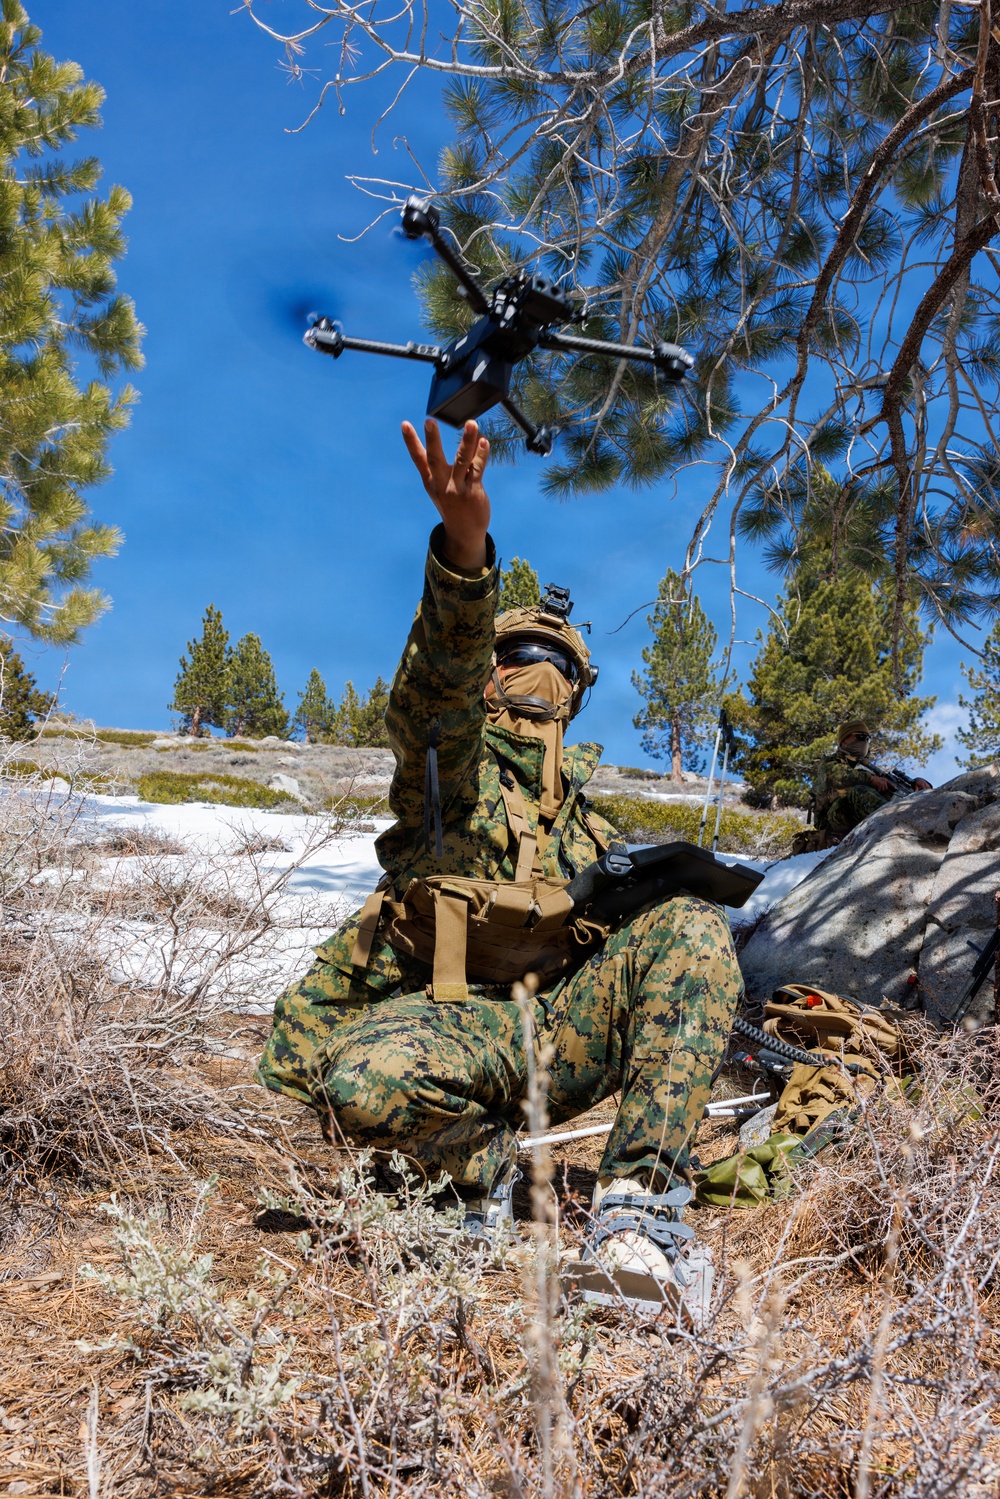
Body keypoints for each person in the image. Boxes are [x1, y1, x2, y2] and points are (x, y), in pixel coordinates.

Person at [256, 417, 741, 1309]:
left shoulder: (590, 831)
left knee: (692, 928)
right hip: (450, 1025)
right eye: (520, 657)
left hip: (555, 1032)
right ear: (489, 673)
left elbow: (654, 974)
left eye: (560, 667)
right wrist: (464, 550)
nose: (539, 675)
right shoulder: (450, 775)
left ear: (578, 697)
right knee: (360, 1083)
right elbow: (432, 691)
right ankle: (481, 1170)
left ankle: (639, 1218)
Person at [813, 720, 931, 838]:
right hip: (833, 821)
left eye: (867, 739)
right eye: (860, 737)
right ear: (844, 740)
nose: (864, 742)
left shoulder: (865, 766)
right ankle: (898, 827)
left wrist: (915, 784)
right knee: (859, 791)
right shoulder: (829, 762)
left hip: (860, 814)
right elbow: (836, 775)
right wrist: (870, 779)